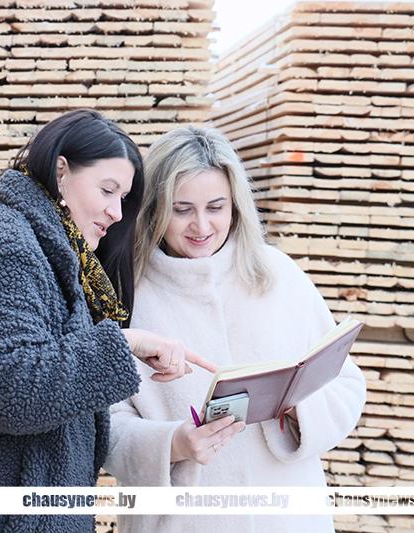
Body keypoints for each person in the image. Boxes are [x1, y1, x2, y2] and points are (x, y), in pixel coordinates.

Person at [0, 110, 215, 533]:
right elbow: (13, 391)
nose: (115, 212)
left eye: (123, 198)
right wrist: (124, 343)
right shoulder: (1, 245)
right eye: (107, 190)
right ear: (60, 172)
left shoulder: (45, 250)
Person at [104, 125, 366, 532]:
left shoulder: (278, 274)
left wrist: (297, 407)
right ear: (155, 207)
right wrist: (173, 443)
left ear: (235, 205)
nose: (201, 226)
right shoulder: (125, 294)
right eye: (182, 209)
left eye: (216, 207)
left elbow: (346, 383)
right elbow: (102, 425)